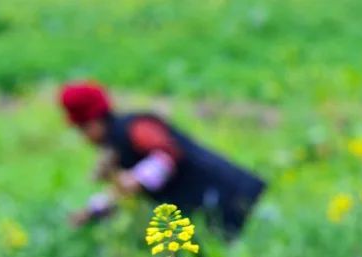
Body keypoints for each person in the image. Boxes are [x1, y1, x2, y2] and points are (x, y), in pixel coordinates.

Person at [59, 81, 266, 239]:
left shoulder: (133, 127)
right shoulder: (115, 145)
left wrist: (133, 179)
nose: (84, 138)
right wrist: (93, 211)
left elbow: (165, 155)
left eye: (82, 129)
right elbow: (123, 191)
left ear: (93, 121)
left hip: (234, 195)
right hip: (214, 210)